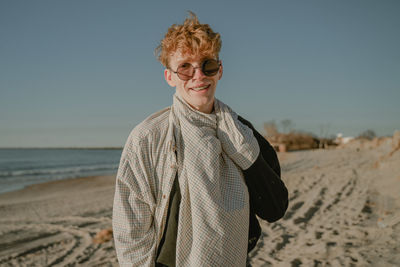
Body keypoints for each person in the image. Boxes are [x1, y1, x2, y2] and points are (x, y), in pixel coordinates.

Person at [112, 12, 288, 267]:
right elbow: (130, 229)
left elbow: (274, 208)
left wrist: (242, 152)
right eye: (185, 67)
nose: (199, 76)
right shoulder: (148, 137)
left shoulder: (243, 133)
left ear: (220, 71)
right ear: (169, 77)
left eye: (208, 65)